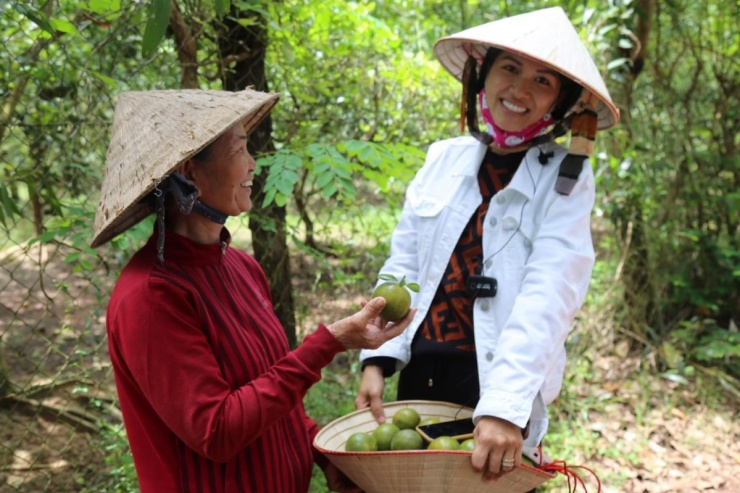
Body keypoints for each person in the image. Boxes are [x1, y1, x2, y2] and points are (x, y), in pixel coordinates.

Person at [91, 88, 415, 493]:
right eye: (240, 150)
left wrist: (319, 451)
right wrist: (327, 344)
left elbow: (271, 388)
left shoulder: (240, 266)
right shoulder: (151, 296)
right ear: (190, 172)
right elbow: (217, 430)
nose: (253, 165)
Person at [354, 6, 620, 485]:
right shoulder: (444, 158)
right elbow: (405, 262)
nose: (519, 90)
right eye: (510, 68)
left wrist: (503, 409)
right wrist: (377, 358)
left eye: (543, 81)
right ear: (484, 74)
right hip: (420, 374)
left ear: (558, 104)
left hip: (494, 380)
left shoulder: (566, 179)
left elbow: (550, 293)